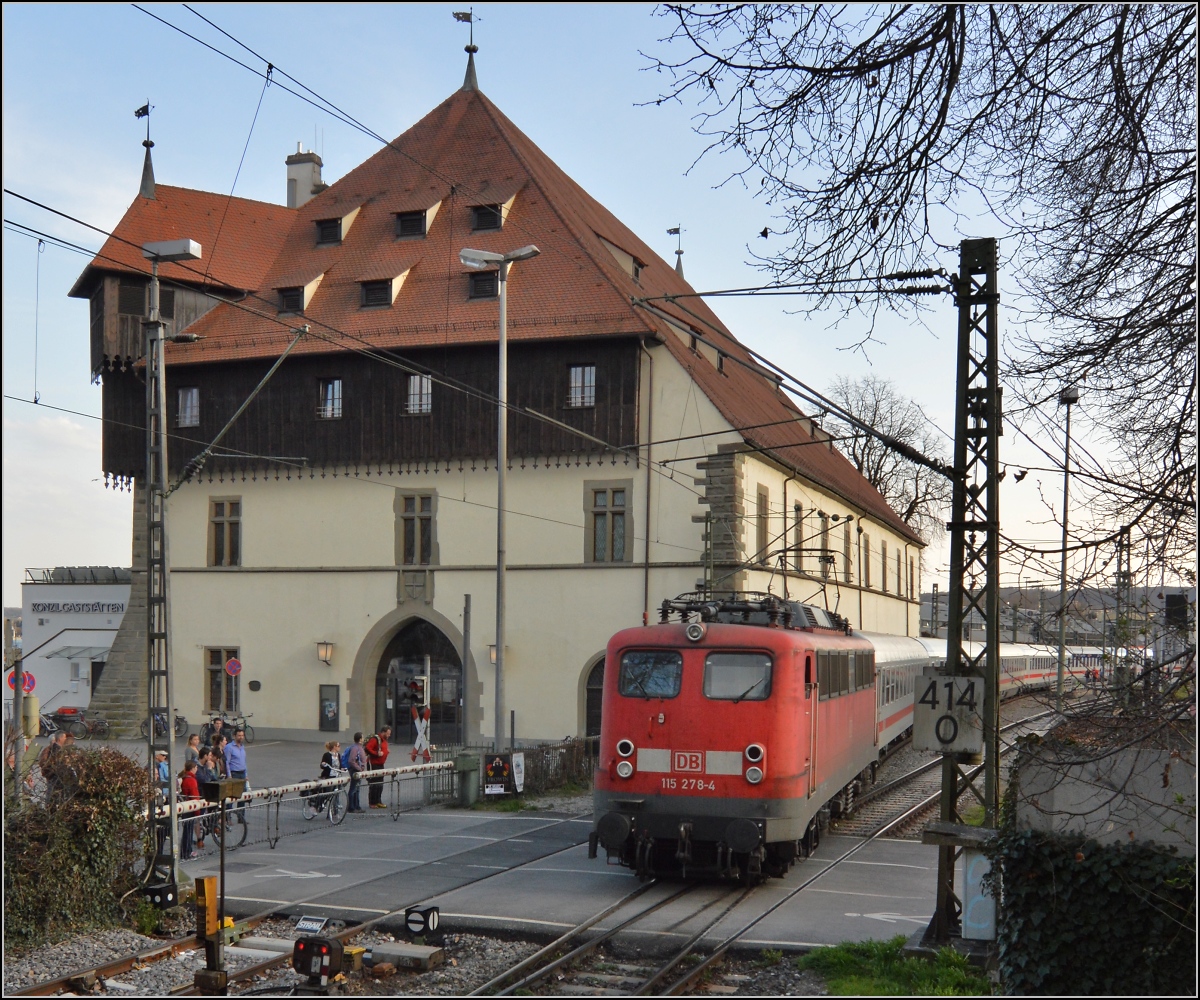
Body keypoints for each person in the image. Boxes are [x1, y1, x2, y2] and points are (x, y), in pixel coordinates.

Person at [225, 728, 249, 821]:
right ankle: (228, 817)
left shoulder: (242, 747)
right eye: (239, 735)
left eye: (242, 735)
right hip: (234, 773)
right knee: (231, 796)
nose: (241, 737)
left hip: (242, 773)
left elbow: (244, 762)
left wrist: (246, 774)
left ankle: (241, 817)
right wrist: (229, 775)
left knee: (242, 796)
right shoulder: (229, 747)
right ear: (234, 736)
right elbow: (227, 762)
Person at [365, 726, 391, 809]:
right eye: (387, 734)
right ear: (383, 732)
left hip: (380, 764)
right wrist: (376, 753)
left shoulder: (384, 740)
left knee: (380, 783)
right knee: (374, 783)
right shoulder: (375, 739)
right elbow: (368, 749)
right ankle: (372, 802)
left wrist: (386, 751)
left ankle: (378, 801)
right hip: (374, 764)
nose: (389, 735)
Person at [179, 759, 201, 859]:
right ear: (192, 768)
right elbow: (194, 796)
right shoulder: (191, 780)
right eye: (196, 767)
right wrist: (198, 811)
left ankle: (187, 851)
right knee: (188, 832)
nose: (197, 769)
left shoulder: (185, 778)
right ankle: (186, 852)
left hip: (186, 806)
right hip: (190, 808)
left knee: (187, 831)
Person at [346, 733, 368, 812]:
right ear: (360, 739)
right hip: (355, 770)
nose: (363, 738)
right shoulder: (355, 748)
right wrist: (359, 768)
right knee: (353, 788)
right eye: (362, 737)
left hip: (358, 770)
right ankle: (351, 807)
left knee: (357, 788)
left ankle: (357, 806)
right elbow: (351, 760)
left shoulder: (359, 747)